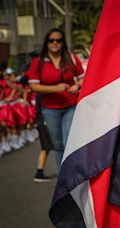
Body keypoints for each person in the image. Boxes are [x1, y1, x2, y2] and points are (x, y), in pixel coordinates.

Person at [27, 28, 84, 172]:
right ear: (46, 43)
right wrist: (55, 88)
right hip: (49, 108)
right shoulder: (38, 62)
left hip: (70, 105)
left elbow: (84, 79)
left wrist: (77, 86)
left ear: (63, 42)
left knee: (68, 142)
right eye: (51, 40)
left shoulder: (71, 58)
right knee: (57, 145)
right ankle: (62, 177)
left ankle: (73, 175)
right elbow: (33, 86)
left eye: (58, 40)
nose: (55, 43)